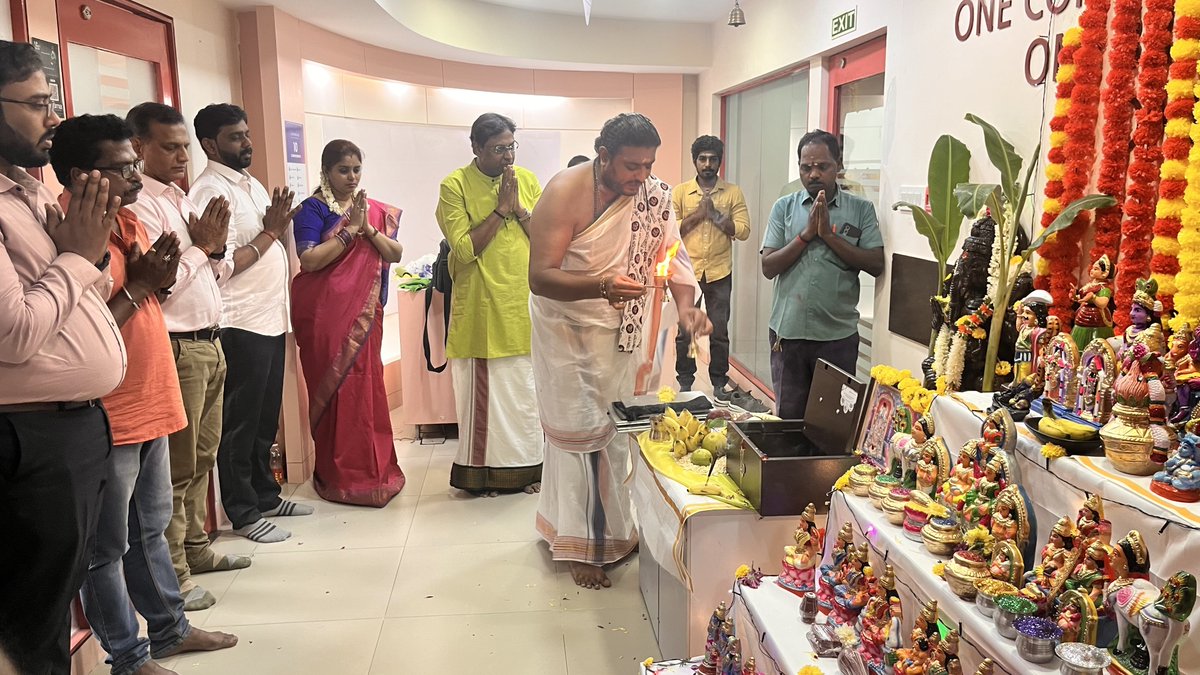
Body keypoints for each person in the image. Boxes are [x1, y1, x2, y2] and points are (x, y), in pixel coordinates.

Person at [49, 113, 237, 674]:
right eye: (122, 166)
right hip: (110, 410)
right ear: (82, 175)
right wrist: (141, 284)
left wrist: (170, 269)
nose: (135, 174)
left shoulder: (127, 219)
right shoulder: (71, 234)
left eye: (135, 163)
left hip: (151, 395)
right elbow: (87, 327)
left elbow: (163, 286)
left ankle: (169, 629)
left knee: (151, 528)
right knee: (107, 547)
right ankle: (128, 658)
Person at [529, 113, 710, 589]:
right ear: (604, 156)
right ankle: (579, 545)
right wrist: (601, 286)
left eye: (649, 165)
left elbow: (672, 258)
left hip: (628, 333)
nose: (642, 176)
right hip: (569, 330)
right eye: (632, 166)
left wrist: (687, 309)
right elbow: (540, 277)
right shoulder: (564, 192)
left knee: (619, 430)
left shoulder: (655, 195)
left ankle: (614, 532)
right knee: (579, 435)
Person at [0, 40, 124, 675]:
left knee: (49, 606)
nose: (53, 118)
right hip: (28, 434)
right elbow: (15, 333)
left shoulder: (27, 194)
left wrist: (86, 255)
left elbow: (82, 292)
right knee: (29, 621)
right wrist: (76, 256)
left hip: (71, 424)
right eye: (36, 104)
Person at [125, 102, 241, 609]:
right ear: (138, 147)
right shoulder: (143, 206)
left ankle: (197, 548)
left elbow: (210, 272)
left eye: (184, 147)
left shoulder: (178, 198)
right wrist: (203, 248)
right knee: (175, 466)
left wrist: (213, 251)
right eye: (169, 148)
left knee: (203, 456)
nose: (181, 157)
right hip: (177, 345)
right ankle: (176, 575)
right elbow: (162, 285)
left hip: (209, 340)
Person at [190, 104, 311, 542]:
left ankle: (265, 494)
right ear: (210, 144)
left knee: (263, 419)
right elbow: (218, 267)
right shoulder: (209, 192)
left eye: (246, 133)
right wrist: (271, 232)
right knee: (239, 424)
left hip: (270, 318)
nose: (247, 142)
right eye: (236, 136)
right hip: (238, 322)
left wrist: (277, 227)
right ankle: (241, 511)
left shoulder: (250, 183)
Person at [291, 140, 406, 506]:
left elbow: (395, 253)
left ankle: (376, 472)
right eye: (343, 170)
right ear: (326, 171)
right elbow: (310, 261)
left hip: (365, 318)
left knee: (367, 389)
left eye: (357, 169)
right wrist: (348, 231)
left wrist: (366, 228)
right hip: (325, 317)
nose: (352, 177)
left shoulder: (372, 210)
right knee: (337, 391)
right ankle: (340, 477)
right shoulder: (312, 209)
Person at [436, 113, 544, 497]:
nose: (508, 156)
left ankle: (528, 470)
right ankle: (485, 478)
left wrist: (520, 209)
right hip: (481, 309)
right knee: (487, 401)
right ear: (476, 147)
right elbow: (464, 251)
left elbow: (545, 239)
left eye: (512, 146)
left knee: (524, 397)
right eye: (499, 149)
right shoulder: (455, 186)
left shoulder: (527, 180)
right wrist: (499, 210)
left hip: (523, 305)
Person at [761, 130, 884, 418]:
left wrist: (828, 236)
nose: (813, 173)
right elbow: (769, 266)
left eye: (822, 166)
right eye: (806, 167)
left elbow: (875, 263)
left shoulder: (861, 209)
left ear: (837, 165)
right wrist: (805, 235)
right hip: (788, 334)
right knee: (789, 419)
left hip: (837, 338)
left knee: (833, 422)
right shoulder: (784, 207)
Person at [671, 135, 751, 403]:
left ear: (720, 162)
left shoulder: (732, 192)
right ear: (694, 161)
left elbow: (744, 231)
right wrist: (698, 215)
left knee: (719, 331)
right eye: (702, 159)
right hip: (686, 273)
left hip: (719, 272)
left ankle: (718, 383)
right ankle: (685, 382)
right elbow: (670, 230)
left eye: (713, 159)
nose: (707, 164)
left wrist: (716, 215)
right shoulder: (681, 192)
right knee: (686, 331)